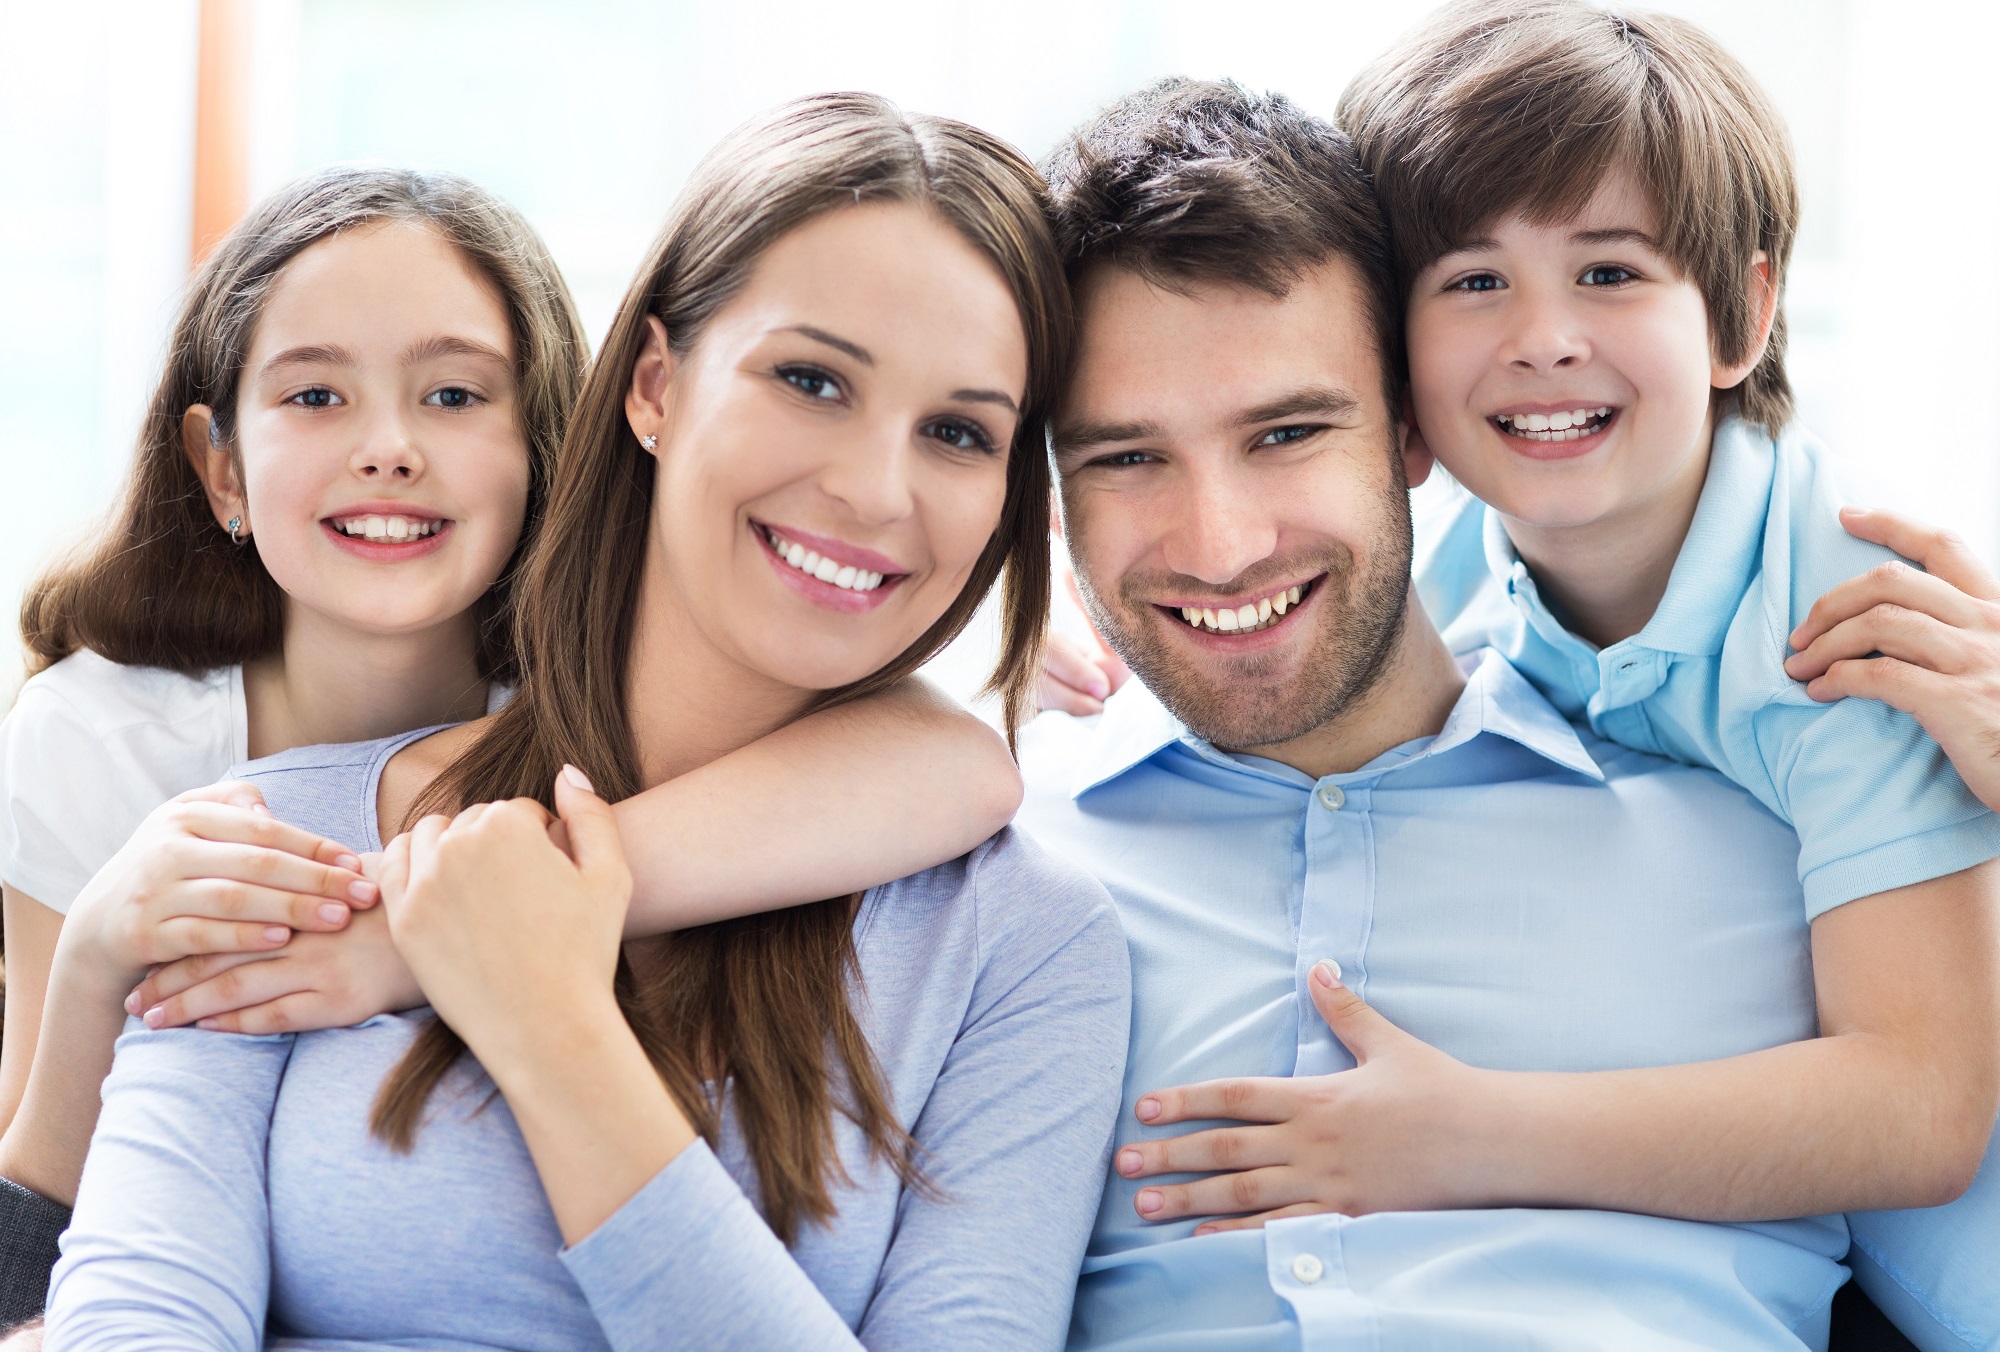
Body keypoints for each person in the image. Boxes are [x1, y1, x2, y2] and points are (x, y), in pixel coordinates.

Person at [42, 93, 1127, 1352]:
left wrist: (549, 1024)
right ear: (655, 385)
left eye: (956, 431)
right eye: (810, 379)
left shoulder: (1023, 944)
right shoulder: (276, 842)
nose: (874, 489)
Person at [1014, 76, 1992, 1349]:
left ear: (1407, 433)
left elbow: (1924, 1104)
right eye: (1126, 458)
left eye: (1288, 432)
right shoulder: (976, 852)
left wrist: (1474, 1132)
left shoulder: (1824, 727)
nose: (1220, 546)